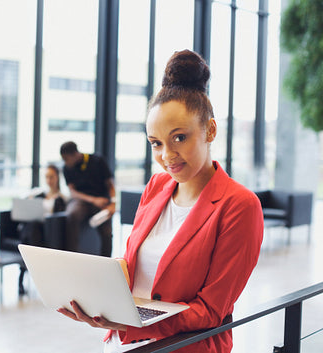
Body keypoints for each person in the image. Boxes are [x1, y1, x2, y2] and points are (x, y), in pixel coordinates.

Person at [57, 49, 264, 352]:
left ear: (210, 130)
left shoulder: (239, 206)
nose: (167, 156)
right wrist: (99, 296)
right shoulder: (157, 185)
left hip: (178, 346)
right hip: (121, 342)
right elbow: (135, 267)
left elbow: (211, 310)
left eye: (179, 137)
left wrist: (133, 322)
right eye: (156, 143)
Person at [60, 141, 116, 257]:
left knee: (107, 231)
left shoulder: (98, 161)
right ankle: (71, 257)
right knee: (72, 214)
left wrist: (113, 203)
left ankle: (106, 261)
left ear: (75, 154)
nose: (65, 162)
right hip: (82, 200)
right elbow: (73, 192)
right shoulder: (67, 168)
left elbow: (110, 184)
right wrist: (93, 200)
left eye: (66, 158)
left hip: (102, 200)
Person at [17, 164, 67, 294]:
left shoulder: (61, 198)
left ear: (57, 178)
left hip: (47, 231)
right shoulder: (40, 193)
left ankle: (23, 274)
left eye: (51, 177)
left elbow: (58, 218)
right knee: (30, 226)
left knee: (31, 228)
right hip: (32, 229)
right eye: (46, 177)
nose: (49, 180)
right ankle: (30, 266)